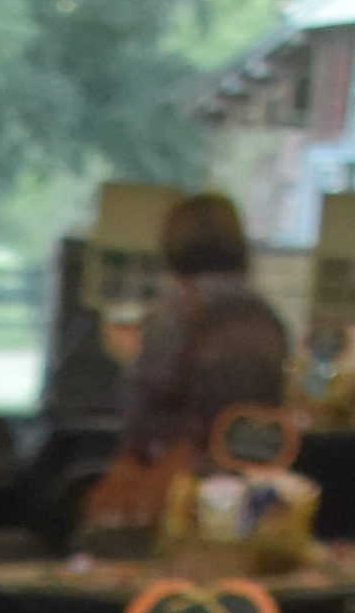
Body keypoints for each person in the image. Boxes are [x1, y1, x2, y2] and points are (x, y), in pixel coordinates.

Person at [118, 189, 291, 472]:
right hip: (252, 467)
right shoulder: (265, 314)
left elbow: (145, 401)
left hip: (185, 470)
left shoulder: (176, 310)